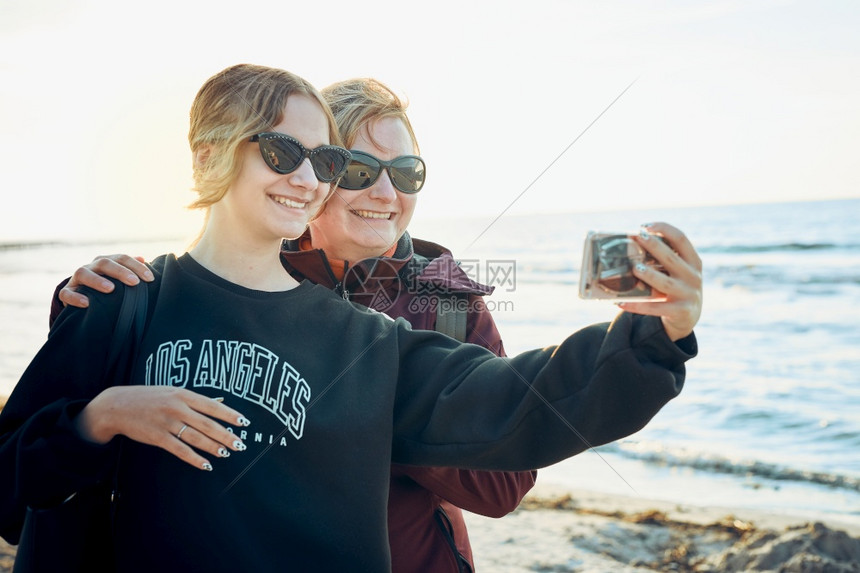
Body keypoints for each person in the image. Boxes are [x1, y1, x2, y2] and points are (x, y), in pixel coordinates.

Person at [1, 63, 702, 572]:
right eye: (285, 153)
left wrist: (650, 335)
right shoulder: (125, 301)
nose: (308, 178)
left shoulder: (384, 333)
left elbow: (521, 405)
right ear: (211, 154)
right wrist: (99, 418)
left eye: (323, 159)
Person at [53, 77, 536, 573]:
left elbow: (503, 487)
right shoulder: (240, 286)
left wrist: (374, 408)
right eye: (358, 169)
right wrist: (103, 306)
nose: (387, 192)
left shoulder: (449, 303)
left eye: (406, 172)